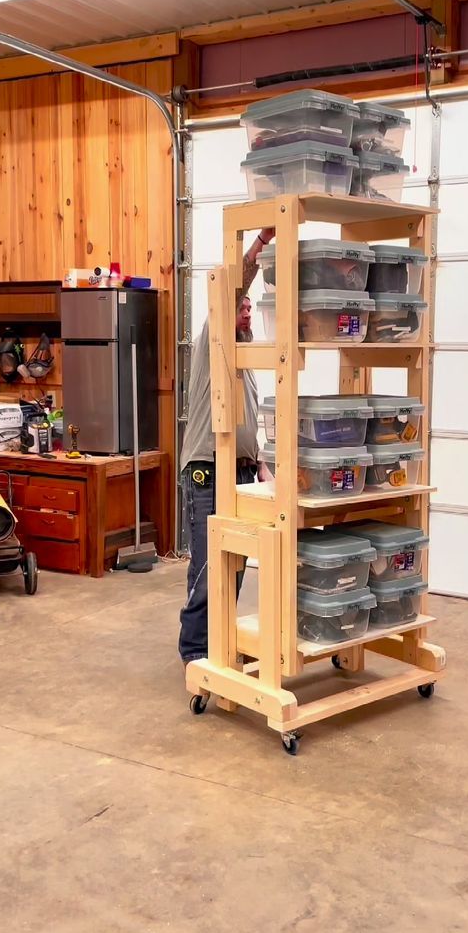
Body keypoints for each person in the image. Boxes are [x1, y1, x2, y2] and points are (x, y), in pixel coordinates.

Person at [178, 227, 275, 666]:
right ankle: (197, 651)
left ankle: (218, 643)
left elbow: (248, 423)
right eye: (240, 307)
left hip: (238, 471)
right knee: (208, 567)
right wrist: (258, 245)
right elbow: (234, 286)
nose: (247, 312)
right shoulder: (212, 347)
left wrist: (261, 465)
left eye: (251, 309)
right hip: (207, 469)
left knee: (232, 566)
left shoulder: (245, 364)